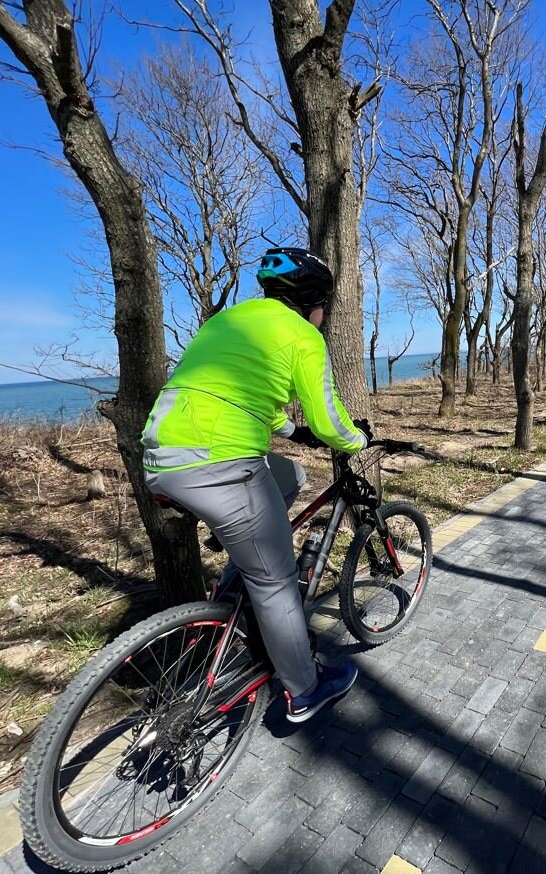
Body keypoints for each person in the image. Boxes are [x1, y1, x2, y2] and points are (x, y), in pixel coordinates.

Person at [141, 247, 369, 723]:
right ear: (312, 301)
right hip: (221, 462)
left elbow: (238, 395)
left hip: (163, 454)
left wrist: (291, 432)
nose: (323, 315)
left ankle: (234, 584)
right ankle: (305, 690)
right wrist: (357, 438)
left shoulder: (225, 323)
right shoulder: (303, 335)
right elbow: (330, 422)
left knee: (291, 475)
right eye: (323, 305)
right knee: (276, 583)